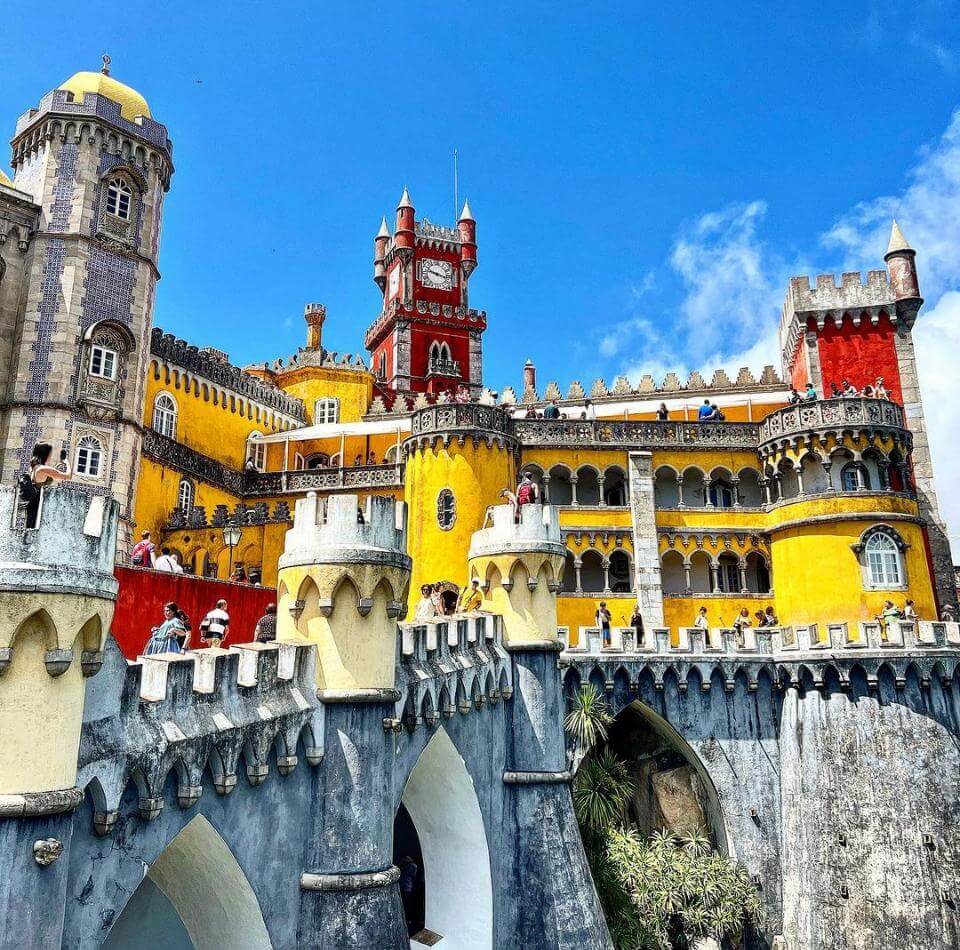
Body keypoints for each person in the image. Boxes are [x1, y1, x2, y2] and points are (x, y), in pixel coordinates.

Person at [21, 442, 72, 529]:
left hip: (32, 503)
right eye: (50, 453)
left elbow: (42, 479)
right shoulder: (43, 469)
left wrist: (56, 468)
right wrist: (67, 463)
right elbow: (68, 476)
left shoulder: (34, 467)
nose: (51, 456)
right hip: (38, 503)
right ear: (46, 454)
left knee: (30, 528)